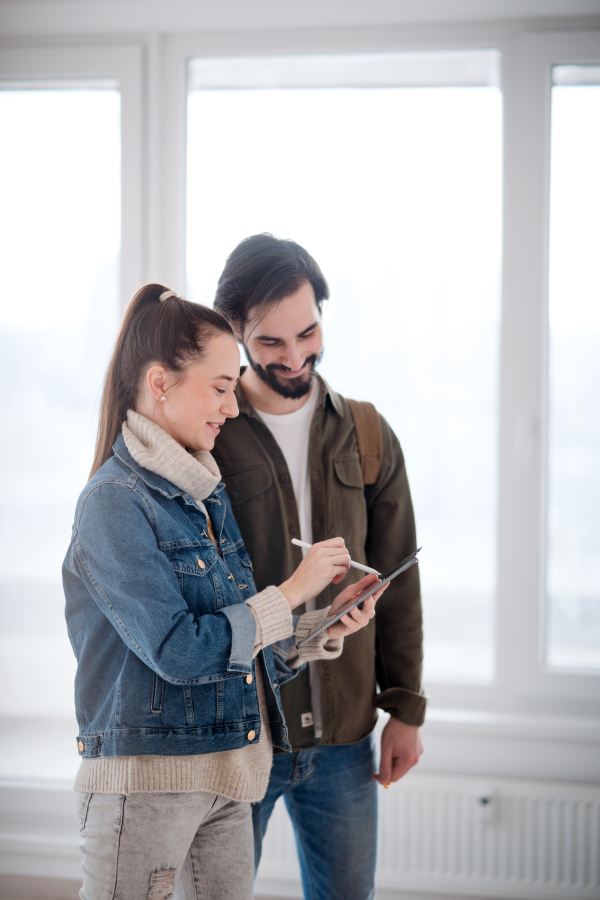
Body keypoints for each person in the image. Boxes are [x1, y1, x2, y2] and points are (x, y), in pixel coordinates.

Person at [62, 283, 387, 900]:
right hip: (150, 791)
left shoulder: (203, 492)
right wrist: (292, 592)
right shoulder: (113, 504)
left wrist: (318, 631)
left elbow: (234, 651)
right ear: (160, 383)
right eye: (219, 389)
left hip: (232, 777)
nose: (232, 409)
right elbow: (181, 651)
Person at [211, 234, 426, 900]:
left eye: (307, 332)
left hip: (344, 737)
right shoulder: (210, 430)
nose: (296, 355)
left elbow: (400, 580)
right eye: (270, 343)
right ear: (237, 336)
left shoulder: (366, 433)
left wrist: (407, 710)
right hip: (238, 736)